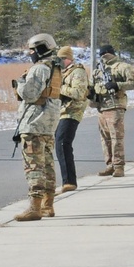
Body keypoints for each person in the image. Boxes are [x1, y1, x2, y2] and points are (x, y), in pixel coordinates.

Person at [13, 33, 62, 222]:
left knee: (34, 166)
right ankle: (47, 205)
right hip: (48, 124)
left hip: (34, 123)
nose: (30, 53)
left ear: (41, 48)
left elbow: (30, 94)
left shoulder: (39, 68)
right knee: (48, 165)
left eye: (32, 50)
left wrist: (20, 83)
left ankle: (35, 207)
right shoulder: (55, 68)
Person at [88, 44, 134, 177]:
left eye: (105, 54)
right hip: (101, 106)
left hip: (115, 105)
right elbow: (92, 86)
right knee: (105, 138)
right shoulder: (98, 70)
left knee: (116, 137)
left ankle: (118, 166)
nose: (104, 56)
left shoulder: (122, 67)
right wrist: (90, 93)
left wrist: (117, 85)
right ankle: (110, 164)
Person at [54, 46, 89, 195]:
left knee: (63, 143)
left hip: (72, 112)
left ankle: (69, 181)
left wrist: (59, 88)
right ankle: (66, 180)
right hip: (61, 112)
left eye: (62, 59)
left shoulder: (78, 72)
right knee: (59, 144)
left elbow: (79, 92)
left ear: (68, 58)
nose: (60, 62)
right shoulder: (63, 73)